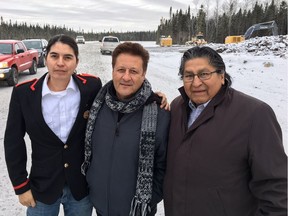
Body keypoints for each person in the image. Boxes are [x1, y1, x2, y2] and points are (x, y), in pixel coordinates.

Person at [163, 46, 287, 215]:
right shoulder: (177, 107)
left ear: (221, 76)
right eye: (189, 76)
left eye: (204, 74)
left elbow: (276, 188)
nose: (196, 82)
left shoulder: (254, 114)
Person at [4, 34, 103, 216]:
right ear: (45, 57)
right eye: (54, 56)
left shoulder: (91, 87)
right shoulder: (24, 94)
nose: (60, 63)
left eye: (68, 57)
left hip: (80, 189)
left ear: (76, 62)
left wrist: (154, 98)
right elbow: (13, 141)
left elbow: (121, 95)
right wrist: (20, 186)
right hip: (41, 189)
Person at [81, 42, 170, 216]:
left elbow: (164, 165)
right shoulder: (97, 105)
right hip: (100, 206)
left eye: (134, 71)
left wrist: (151, 197)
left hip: (137, 210)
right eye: (121, 70)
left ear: (143, 74)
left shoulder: (160, 114)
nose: (126, 77)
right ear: (113, 70)